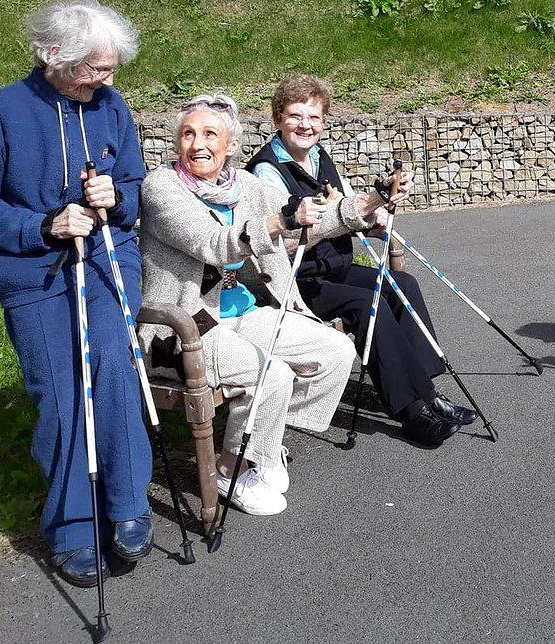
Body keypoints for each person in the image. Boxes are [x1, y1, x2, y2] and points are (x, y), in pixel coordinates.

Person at [0, 0, 151, 587]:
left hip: (104, 266)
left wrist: (114, 200)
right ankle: (72, 526)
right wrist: (43, 225)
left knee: (116, 375)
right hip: (36, 278)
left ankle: (128, 505)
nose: (107, 79)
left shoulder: (109, 104)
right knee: (61, 394)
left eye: (111, 68)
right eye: (95, 68)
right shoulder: (1, 112)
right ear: (53, 55)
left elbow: (133, 183)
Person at [138, 94, 372, 516]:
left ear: (230, 146)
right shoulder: (162, 187)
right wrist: (281, 221)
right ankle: (229, 469)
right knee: (272, 373)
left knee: (336, 351)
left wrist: (370, 202)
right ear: (177, 142)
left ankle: (263, 442)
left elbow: (311, 217)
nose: (198, 144)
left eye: (211, 134)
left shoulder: (244, 186)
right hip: (188, 325)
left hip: (243, 311)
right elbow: (211, 243)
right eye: (189, 133)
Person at [246, 75, 474, 446]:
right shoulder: (266, 171)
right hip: (297, 279)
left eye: (314, 117)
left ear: (324, 121)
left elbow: (349, 210)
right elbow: (286, 239)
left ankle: (427, 391)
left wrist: (377, 213)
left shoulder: (321, 157)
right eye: (295, 116)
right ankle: (409, 410)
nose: (306, 125)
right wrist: (355, 210)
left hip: (333, 266)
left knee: (402, 284)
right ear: (277, 118)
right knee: (367, 303)